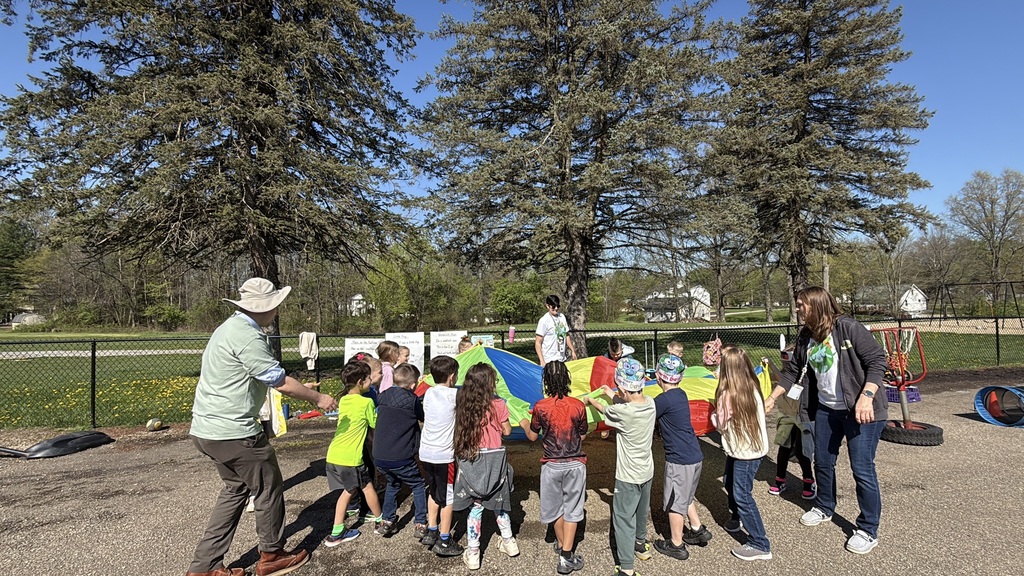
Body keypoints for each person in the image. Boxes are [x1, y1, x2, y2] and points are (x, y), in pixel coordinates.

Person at [187, 277, 337, 576]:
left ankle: (204, 566)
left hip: (206, 430)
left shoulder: (228, 329)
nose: (278, 311)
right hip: (235, 433)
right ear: (266, 306)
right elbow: (278, 381)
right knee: (268, 489)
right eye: (276, 305)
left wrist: (298, 386)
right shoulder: (247, 335)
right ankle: (272, 554)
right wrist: (318, 397)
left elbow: (247, 378)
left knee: (235, 490)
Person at [765, 286, 888, 555]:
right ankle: (824, 506)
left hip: (861, 411)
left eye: (801, 305)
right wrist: (773, 398)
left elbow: (878, 361)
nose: (797, 309)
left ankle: (868, 529)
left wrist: (867, 396)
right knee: (822, 461)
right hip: (826, 410)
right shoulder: (806, 335)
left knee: (862, 469)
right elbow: (793, 370)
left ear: (817, 305)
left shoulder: (847, 328)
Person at [585, 358, 656, 576]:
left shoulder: (623, 413)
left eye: (619, 388)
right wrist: (612, 393)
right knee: (641, 511)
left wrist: (591, 399)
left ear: (623, 387)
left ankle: (626, 568)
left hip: (628, 476)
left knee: (623, 518)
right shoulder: (651, 403)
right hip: (647, 471)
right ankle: (640, 545)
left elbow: (606, 411)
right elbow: (625, 403)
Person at [518, 361, 588, 575]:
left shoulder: (540, 407)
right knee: (573, 509)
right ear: (567, 379)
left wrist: (524, 423)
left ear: (546, 381)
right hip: (575, 464)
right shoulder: (578, 405)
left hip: (551, 465)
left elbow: (532, 436)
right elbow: (582, 435)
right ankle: (566, 555)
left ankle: (562, 546)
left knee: (556, 509)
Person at [453, 363, 519, 570]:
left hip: (471, 458)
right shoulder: (499, 404)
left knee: (476, 506)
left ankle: (473, 552)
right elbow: (507, 431)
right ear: (490, 383)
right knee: (499, 503)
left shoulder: (462, 404)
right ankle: (509, 542)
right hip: (495, 459)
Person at [651, 354, 712, 561]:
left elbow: (644, 413)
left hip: (680, 460)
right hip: (694, 455)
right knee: (684, 495)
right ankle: (697, 529)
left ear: (659, 377)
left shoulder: (663, 400)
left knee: (675, 501)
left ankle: (676, 544)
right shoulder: (681, 394)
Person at [713, 345, 771, 562]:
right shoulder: (752, 387)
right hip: (749, 449)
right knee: (729, 483)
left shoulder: (727, 394)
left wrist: (712, 416)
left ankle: (760, 543)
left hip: (744, 452)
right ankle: (736, 517)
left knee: (742, 495)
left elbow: (720, 425)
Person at [322, 360, 384, 547]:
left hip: (334, 453)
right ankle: (377, 521)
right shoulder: (365, 402)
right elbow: (375, 424)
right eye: (368, 378)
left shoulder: (344, 400)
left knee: (354, 489)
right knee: (358, 489)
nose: (371, 380)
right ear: (360, 382)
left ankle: (371, 519)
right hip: (351, 457)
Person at [372, 363, 428, 538]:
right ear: (413, 385)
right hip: (401, 455)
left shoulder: (383, 395)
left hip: (380, 455)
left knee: (393, 484)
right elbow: (422, 416)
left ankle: (387, 520)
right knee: (418, 484)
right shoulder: (412, 400)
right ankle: (420, 522)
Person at [419, 355, 465, 557]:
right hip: (444, 456)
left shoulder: (428, 394)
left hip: (426, 453)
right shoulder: (455, 396)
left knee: (433, 491)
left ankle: (431, 529)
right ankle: (445, 539)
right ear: (453, 376)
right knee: (447, 496)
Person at [765, 348, 816, 499]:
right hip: (786, 415)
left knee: (802, 451)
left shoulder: (805, 374)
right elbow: (780, 379)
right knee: (784, 447)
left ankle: (809, 481)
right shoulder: (784, 374)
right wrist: (771, 365)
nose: (785, 365)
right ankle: (780, 479)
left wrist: (773, 365)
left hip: (802, 417)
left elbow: (786, 379)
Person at [535, 295, 577, 366]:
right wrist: (542, 360)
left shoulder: (562, 317)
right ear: (548, 306)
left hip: (561, 359)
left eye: (558, 306)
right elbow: (538, 343)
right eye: (553, 306)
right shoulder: (544, 320)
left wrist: (572, 350)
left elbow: (566, 335)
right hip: (549, 360)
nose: (556, 308)